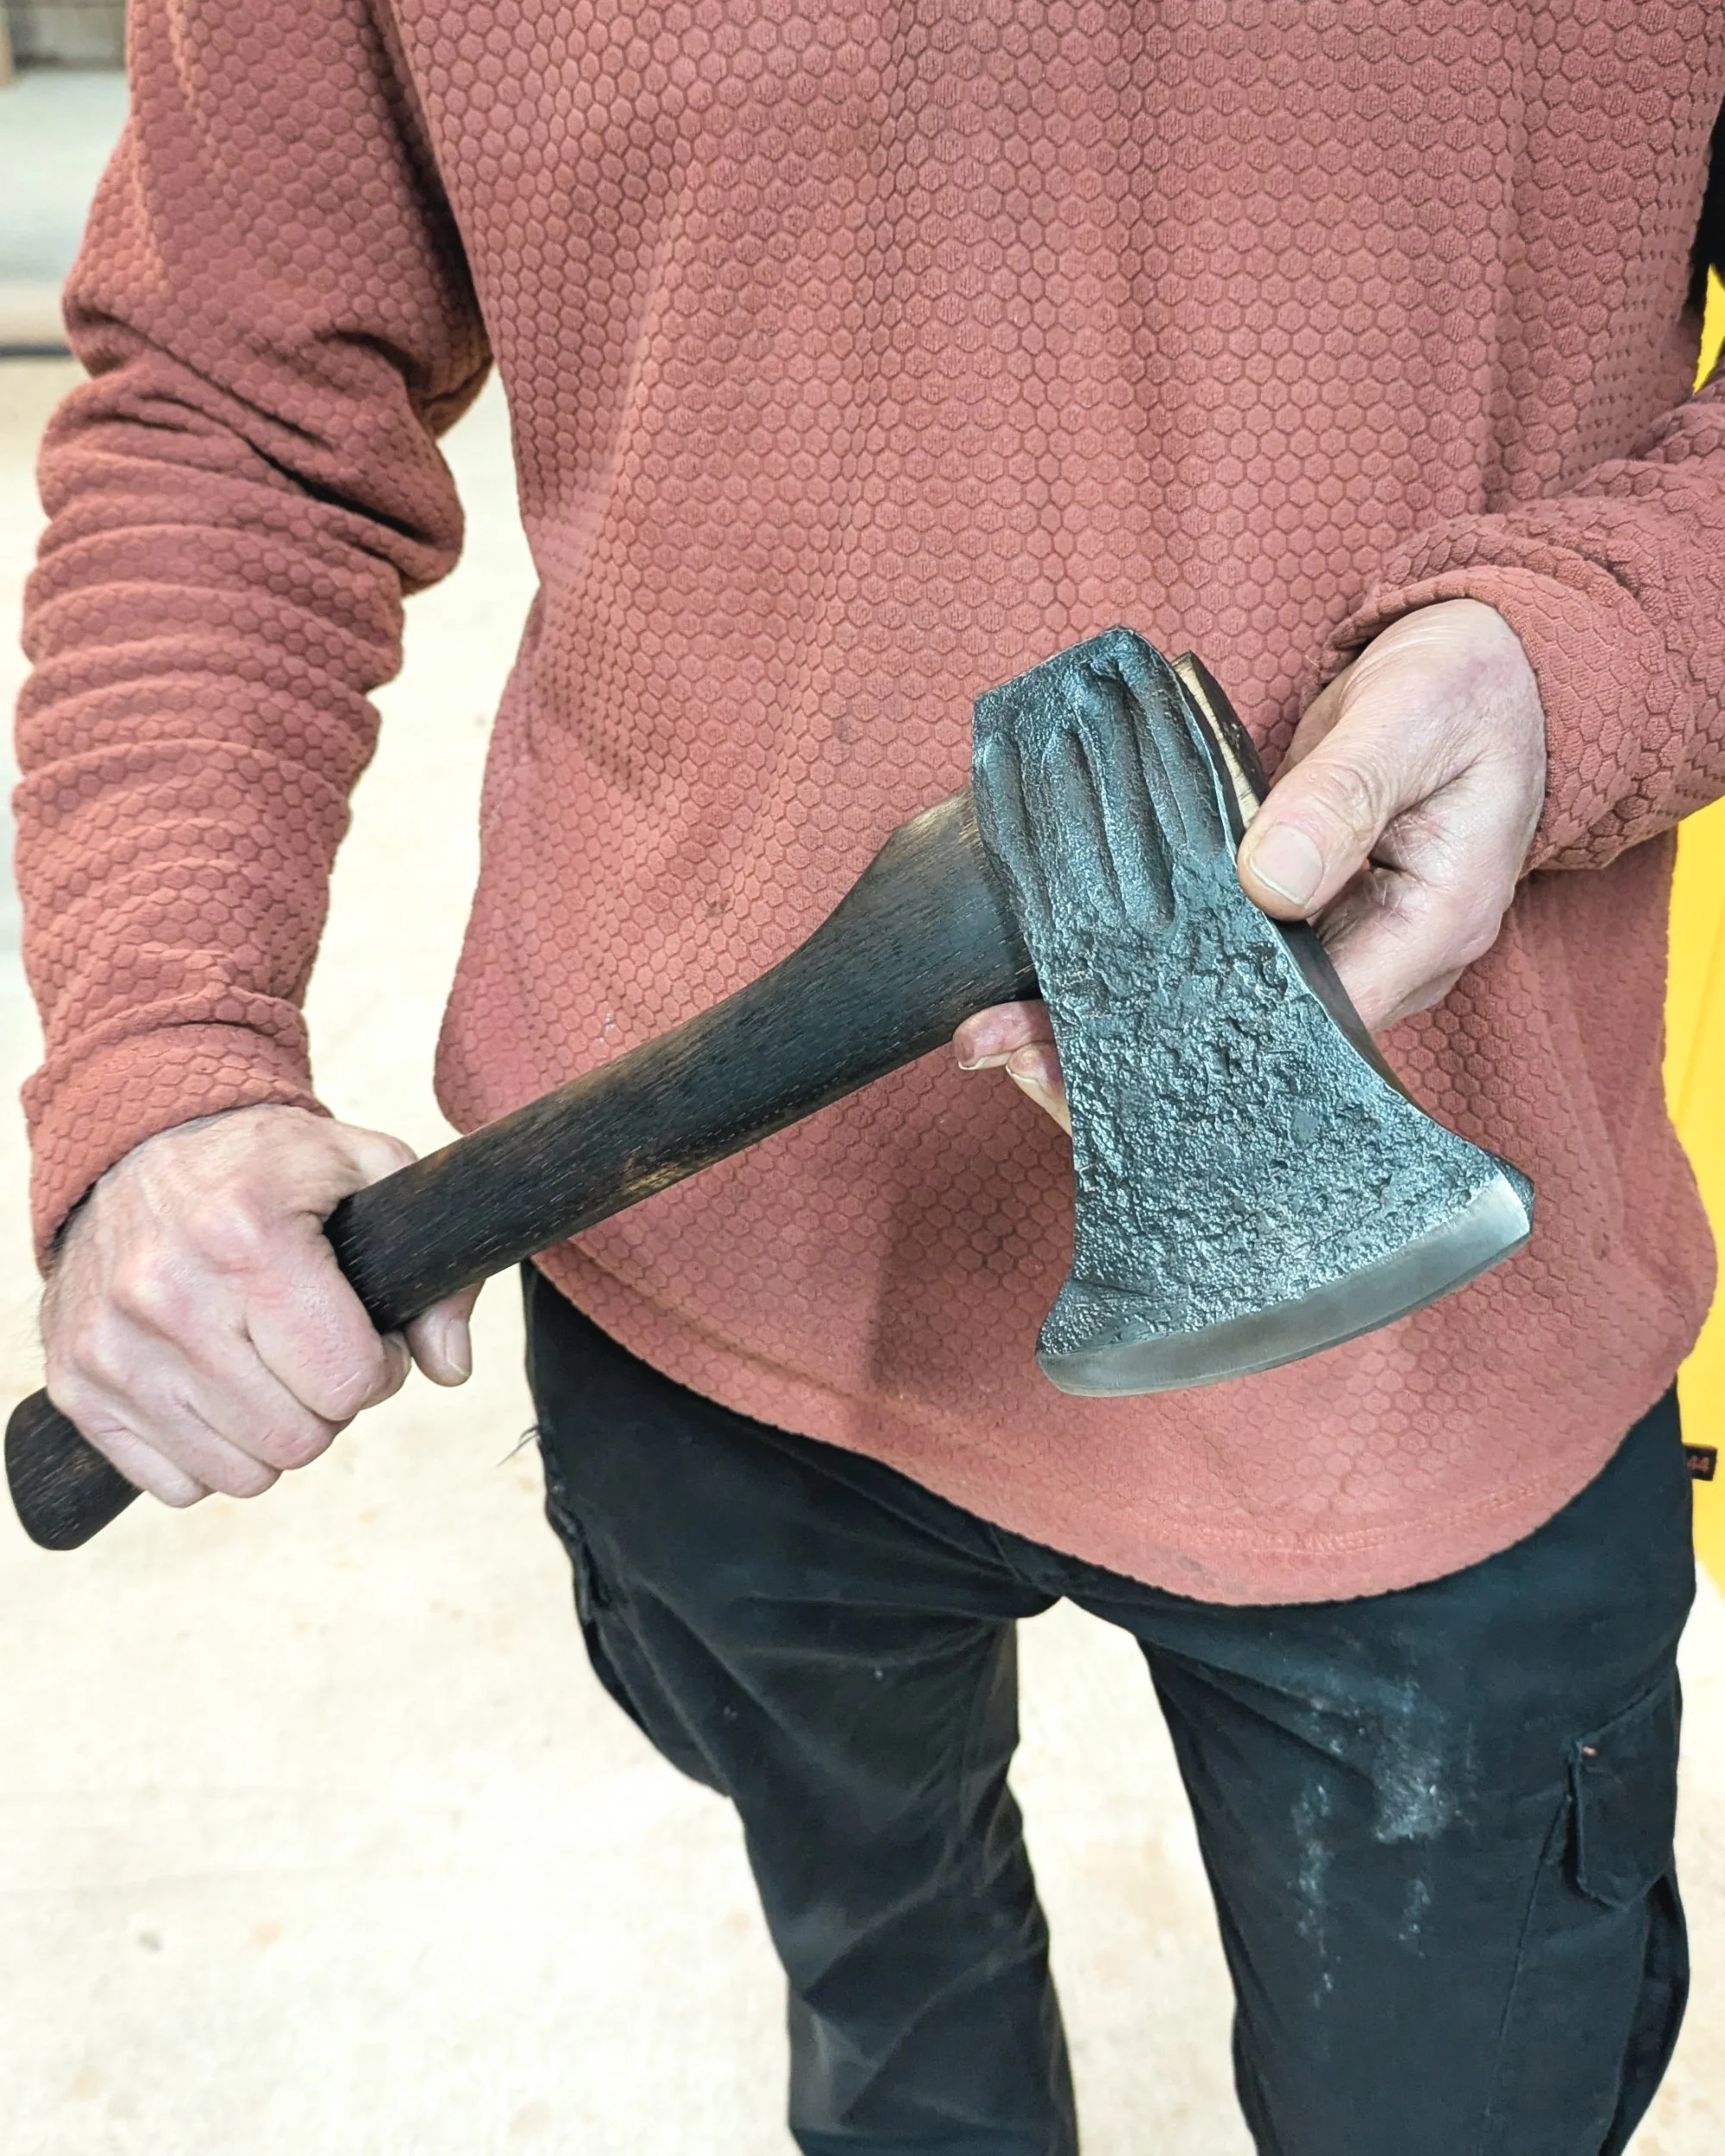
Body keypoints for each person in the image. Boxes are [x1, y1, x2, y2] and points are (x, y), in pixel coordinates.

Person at [16, 3, 1725, 2149]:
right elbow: (228, 408)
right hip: (703, 1309)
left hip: (1444, 1357)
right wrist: (166, 1049)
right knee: (892, 2019)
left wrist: (1596, 654)